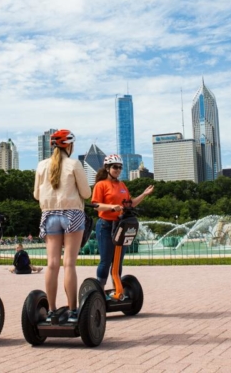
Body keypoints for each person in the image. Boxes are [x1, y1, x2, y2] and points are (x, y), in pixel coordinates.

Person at [34, 129, 91, 323]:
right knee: (69, 264)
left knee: (52, 264)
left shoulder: (41, 165)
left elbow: (36, 195)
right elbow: (86, 193)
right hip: (72, 214)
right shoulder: (74, 164)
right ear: (69, 145)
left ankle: (51, 310)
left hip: (49, 215)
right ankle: (73, 311)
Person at [92, 154, 153, 287]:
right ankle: (99, 290)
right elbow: (96, 206)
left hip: (121, 226)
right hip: (105, 225)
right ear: (107, 168)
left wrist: (144, 194)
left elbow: (130, 204)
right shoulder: (101, 185)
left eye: (120, 167)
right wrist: (111, 207)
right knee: (106, 261)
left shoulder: (122, 185)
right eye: (115, 167)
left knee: (118, 260)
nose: (118, 170)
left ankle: (117, 289)